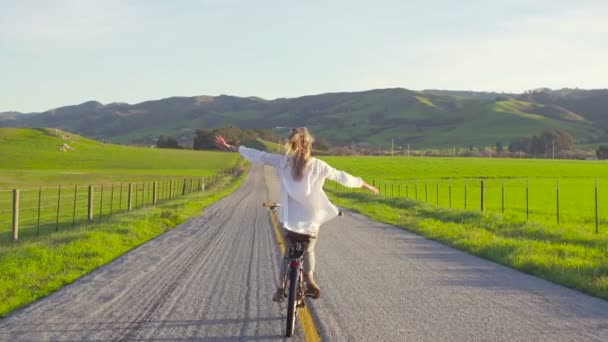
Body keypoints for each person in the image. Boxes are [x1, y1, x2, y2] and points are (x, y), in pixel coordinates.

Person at [215, 128, 378, 301]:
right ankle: (309, 277)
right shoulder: (318, 165)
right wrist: (365, 185)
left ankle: (281, 286)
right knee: (309, 250)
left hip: (288, 221)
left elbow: (259, 155)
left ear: (291, 144)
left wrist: (232, 148)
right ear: (309, 145)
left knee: (288, 253)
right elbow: (343, 177)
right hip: (310, 222)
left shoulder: (284, 162)